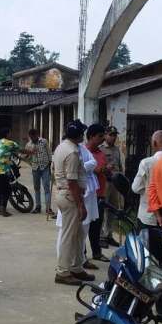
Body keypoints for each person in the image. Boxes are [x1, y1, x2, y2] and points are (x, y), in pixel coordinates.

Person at [53, 120, 95, 286]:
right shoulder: (72, 152)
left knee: (77, 235)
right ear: (78, 135)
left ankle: (76, 267)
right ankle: (63, 271)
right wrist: (80, 205)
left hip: (66, 193)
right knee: (69, 236)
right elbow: (72, 181)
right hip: (70, 195)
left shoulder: (63, 146)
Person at [131, 130, 162, 228]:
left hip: (148, 216)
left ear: (154, 143)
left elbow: (136, 188)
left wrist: (147, 190)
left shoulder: (147, 163)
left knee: (146, 243)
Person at [84, 124, 108, 263]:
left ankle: (97, 253)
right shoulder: (84, 152)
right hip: (87, 195)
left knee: (96, 226)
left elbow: (102, 170)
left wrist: (106, 170)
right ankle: (83, 255)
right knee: (83, 227)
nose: (102, 139)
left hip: (100, 194)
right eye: (100, 136)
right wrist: (96, 169)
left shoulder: (101, 153)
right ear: (91, 136)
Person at [100, 126, 124, 247]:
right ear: (105, 135)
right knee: (103, 209)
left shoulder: (117, 149)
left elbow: (119, 166)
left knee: (113, 210)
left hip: (115, 184)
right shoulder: (101, 149)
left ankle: (108, 234)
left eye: (115, 135)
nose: (113, 137)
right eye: (111, 135)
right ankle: (101, 236)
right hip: (105, 183)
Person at [23, 128, 54, 216]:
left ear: (37, 134)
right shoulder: (28, 144)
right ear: (30, 136)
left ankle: (48, 208)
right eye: (31, 137)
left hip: (45, 167)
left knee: (46, 188)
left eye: (34, 136)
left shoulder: (44, 142)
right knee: (37, 188)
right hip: (35, 168)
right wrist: (28, 153)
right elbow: (25, 157)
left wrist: (50, 163)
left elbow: (49, 152)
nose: (33, 138)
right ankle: (38, 207)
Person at [0, 127, 19, 217]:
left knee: (0, 190)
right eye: (10, 133)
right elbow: (20, 150)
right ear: (7, 134)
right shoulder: (11, 143)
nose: (11, 134)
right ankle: (3, 209)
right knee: (7, 190)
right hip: (4, 170)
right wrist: (31, 152)